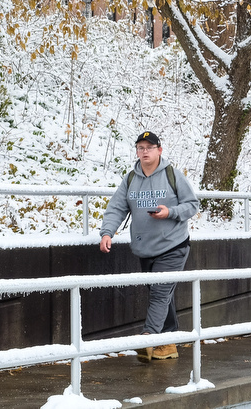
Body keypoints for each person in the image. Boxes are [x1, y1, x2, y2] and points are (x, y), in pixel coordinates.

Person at [99, 131, 199, 363]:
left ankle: (149, 338)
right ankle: (168, 341)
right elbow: (116, 207)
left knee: (159, 293)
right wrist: (107, 232)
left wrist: (170, 212)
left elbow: (192, 205)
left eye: (149, 147)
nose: (144, 151)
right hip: (145, 248)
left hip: (173, 245)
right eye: (140, 147)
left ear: (159, 151)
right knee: (162, 294)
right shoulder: (131, 179)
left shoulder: (173, 175)